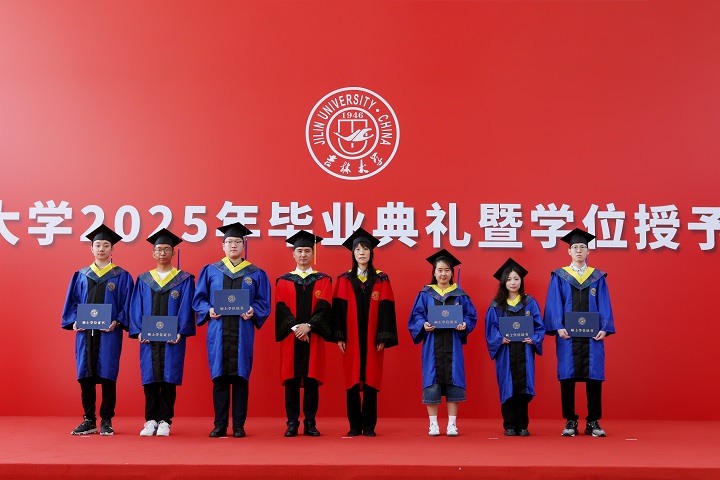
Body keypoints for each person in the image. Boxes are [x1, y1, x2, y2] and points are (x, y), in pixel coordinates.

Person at [193, 222, 271, 438]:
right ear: (223, 246)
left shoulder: (256, 273)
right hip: (218, 333)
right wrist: (208, 310)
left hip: (242, 333)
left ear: (244, 245)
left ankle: (238, 425)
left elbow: (263, 302)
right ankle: (219, 424)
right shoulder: (211, 271)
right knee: (219, 378)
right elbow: (199, 299)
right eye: (229, 242)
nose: (233, 245)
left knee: (240, 378)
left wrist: (253, 310)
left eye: (237, 241)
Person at [61, 224, 133, 436]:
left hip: (109, 334)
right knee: (85, 375)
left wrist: (117, 321)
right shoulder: (81, 275)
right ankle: (89, 419)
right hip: (85, 334)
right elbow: (72, 303)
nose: (101, 249)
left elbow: (127, 304)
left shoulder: (121, 276)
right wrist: (74, 321)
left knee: (108, 375)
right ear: (91, 248)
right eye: (98, 245)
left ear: (112, 249)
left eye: (106, 245)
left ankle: (107, 420)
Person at [544, 228, 615, 437]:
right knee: (567, 376)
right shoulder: (560, 276)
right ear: (569, 251)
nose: (578, 250)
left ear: (588, 251)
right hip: (567, 335)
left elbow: (604, 303)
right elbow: (554, 302)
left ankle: (593, 421)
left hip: (593, 337)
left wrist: (604, 328)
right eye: (575, 247)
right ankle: (570, 420)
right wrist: (558, 326)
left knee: (594, 376)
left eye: (582, 247)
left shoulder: (597, 277)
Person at [129, 228, 196, 436]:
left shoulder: (183, 279)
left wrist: (181, 331)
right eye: (159, 249)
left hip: (172, 338)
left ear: (173, 252)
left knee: (169, 377)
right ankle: (150, 420)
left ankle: (165, 420)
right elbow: (136, 306)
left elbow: (186, 307)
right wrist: (138, 331)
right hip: (148, 339)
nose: (162, 253)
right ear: (153, 253)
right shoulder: (143, 280)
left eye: (167, 249)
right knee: (150, 377)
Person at [332, 228, 398, 437]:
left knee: (371, 378)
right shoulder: (343, 279)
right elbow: (338, 310)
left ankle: (369, 426)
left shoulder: (381, 279)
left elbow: (386, 308)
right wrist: (339, 336)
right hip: (351, 337)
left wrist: (383, 336)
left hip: (372, 337)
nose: (362, 252)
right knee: (351, 379)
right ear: (353, 253)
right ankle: (354, 425)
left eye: (365, 249)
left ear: (371, 252)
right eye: (358, 249)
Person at [408, 249, 477, 437]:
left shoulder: (460, 295)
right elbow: (416, 316)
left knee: (454, 382)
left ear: (452, 272)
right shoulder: (425, 294)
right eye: (440, 270)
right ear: (434, 272)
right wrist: (424, 324)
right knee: (432, 383)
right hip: (433, 345)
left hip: (453, 344)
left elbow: (471, 316)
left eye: (447, 270)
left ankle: (452, 424)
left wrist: (465, 324)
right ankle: (433, 424)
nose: (443, 274)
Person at [275, 230, 333, 437]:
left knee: (311, 380)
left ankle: (310, 422)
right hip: (291, 338)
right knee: (291, 380)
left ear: (313, 254)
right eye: (299, 251)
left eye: (307, 251)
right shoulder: (283, 280)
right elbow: (281, 307)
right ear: (293, 254)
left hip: (313, 336)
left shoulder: (324, 280)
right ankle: (292, 422)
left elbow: (325, 307)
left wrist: (309, 326)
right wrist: (296, 328)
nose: (303, 254)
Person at [484, 258, 545, 436]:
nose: (513, 282)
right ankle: (509, 425)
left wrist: (534, 339)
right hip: (506, 351)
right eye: (509, 279)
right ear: (503, 282)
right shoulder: (496, 305)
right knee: (507, 385)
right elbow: (491, 328)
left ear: (521, 281)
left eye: (516, 279)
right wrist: (499, 339)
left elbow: (539, 326)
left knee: (523, 387)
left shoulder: (529, 303)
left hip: (525, 350)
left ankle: (523, 425)